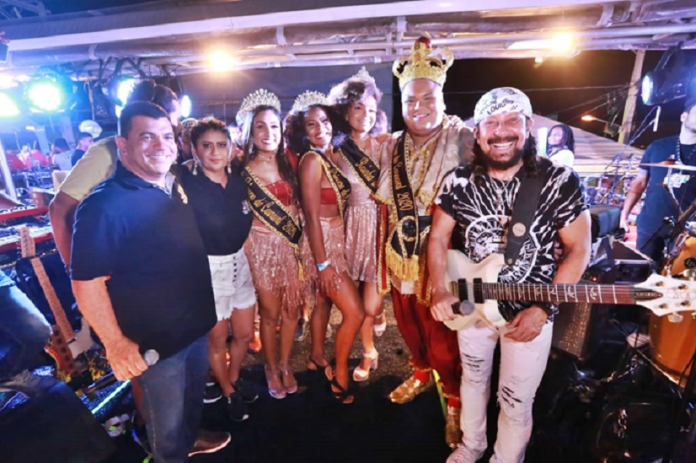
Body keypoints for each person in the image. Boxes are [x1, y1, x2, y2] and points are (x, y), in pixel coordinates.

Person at [429, 87, 591, 463]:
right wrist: (439, 289)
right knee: (473, 380)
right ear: (478, 132)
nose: (501, 131)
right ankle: (472, 445)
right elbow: (437, 237)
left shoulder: (558, 180)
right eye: (491, 123)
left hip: (529, 311)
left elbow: (579, 249)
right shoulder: (458, 181)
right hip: (472, 302)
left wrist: (544, 309)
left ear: (528, 126)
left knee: (516, 400)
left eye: (511, 121)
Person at [70, 102, 230, 463]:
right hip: (156, 345)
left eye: (167, 136)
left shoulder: (171, 185)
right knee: (166, 432)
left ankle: (190, 440)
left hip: (194, 329)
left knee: (191, 406)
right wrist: (116, 345)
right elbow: (86, 283)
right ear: (122, 145)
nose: (161, 146)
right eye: (147, 137)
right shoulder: (104, 205)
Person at [375, 37, 472, 447]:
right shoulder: (391, 144)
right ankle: (419, 373)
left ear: (442, 98)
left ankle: (455, 399)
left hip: (443, 255)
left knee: (444, 335)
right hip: (400, 253)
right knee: (409, 326)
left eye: (428, 98)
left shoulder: (462, 138)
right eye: (410, 100)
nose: (419, 107)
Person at [49, 79, 182, 267]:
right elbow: (60, 208)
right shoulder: (106, 152)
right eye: (174, 123)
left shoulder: (163, 156)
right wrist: (74, 268)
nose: (177, 130)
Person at [286, 90, 365, 404]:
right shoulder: (311, 161)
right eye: (311, 124)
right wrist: (323, 264)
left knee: (322, 302)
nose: (320, 128)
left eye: (323, 121)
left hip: (335, 237)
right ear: (303, 132)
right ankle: (340, 371)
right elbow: (310, 216)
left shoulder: (331, 156)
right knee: (355, 312)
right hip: (321, 242)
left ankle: (316, 356)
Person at [179, 117, 258, 421]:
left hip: (240, 263)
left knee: (244, 333)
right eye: (206, 145)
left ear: (231, 148)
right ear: (194, 149)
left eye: (221, 145)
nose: (215, 152)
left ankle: (234, 379)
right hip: (209, 268)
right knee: (217, 338)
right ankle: (226, 390)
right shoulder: (186, 183)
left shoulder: (239, 181)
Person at [237, 89, 304, 399]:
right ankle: (270, 367)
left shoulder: (291, 162)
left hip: (292, 247)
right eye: (261, 126)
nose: (268, 133)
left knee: (292, 311)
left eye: (274, 126)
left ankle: (285, 363)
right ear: (251, 131)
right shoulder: (241, 170)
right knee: (270, 313)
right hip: (261, 248)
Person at [328, 68, 389, 382]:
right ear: (345, 110)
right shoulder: (335, 150)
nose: (366, 115)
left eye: (372, 109)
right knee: (356, 302)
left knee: (370, 305)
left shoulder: (385, 145)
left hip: (378, 228)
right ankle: (369, 350)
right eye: (358, 107)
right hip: (349, 228)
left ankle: (378, 316)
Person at [620, 98, 696, 264]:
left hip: (687, 228)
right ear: (683, 117)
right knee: (643, 271)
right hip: (651, 223)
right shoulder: (658, 146)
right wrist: (624, 215)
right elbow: (639, 183)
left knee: (678, 274)